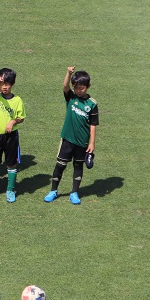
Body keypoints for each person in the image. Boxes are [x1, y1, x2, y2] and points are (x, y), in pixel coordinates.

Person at [44, 67, 98, 205]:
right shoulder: (71, 97)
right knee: (60, 165)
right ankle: (53, 191)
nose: (79, 91)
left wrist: (91, 143)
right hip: (67, 139)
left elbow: (93, 125)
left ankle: (74, 193)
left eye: (82, 88)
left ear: (88, 87)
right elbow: (65, 86)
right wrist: (68, 74)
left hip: (82, 143)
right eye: (76, 88)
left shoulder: (92, 104)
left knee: (78, 166)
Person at [0, 68, 25, 202]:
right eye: (3, 84)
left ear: (12, 84)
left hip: (11, 137)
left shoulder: (18, 100)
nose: (5, 87)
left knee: (11, 164)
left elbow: (21, 117)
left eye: (7, 84)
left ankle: (10, 189)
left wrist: (13, 121)